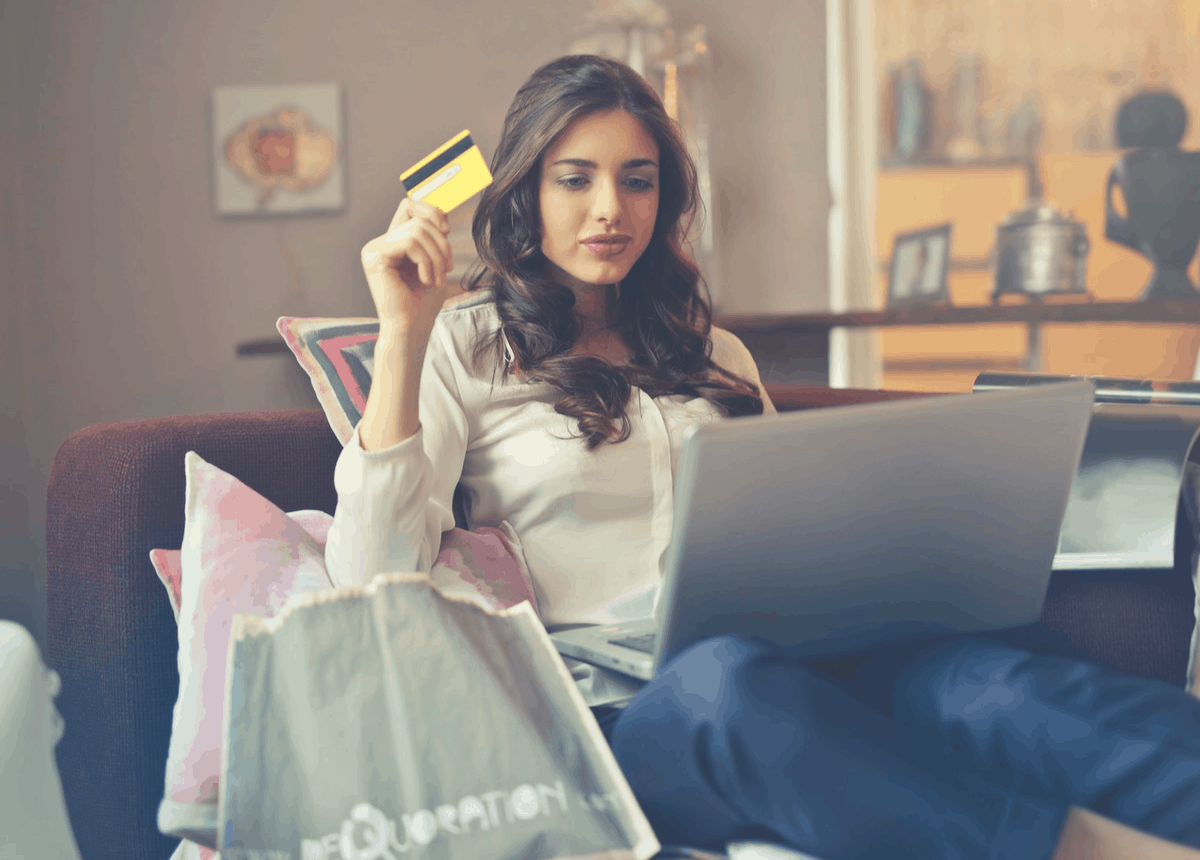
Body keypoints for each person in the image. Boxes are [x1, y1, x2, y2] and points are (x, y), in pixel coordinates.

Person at [326, 54, 1200, 860]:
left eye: (638, 181)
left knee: (984, 686)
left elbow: (797, 525)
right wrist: (403, 334)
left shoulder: (717, 356)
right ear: (525, 193)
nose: (610, 210)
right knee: (726, 683)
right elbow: (370, 575)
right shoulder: (465, 347)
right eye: (575, 180)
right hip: (641, 719)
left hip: (809, 660)